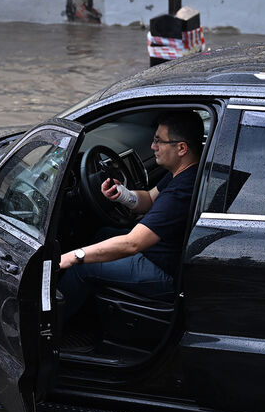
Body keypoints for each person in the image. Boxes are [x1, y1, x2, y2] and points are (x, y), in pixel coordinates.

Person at [57, 111, 203, 318]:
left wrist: (74, 256)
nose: (153, 147)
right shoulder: (186, 172)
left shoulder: (182, 192)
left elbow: (132, 244)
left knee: (81, 268)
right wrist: (122, 195)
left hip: (166, 271)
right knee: (103, 233)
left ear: (181, 148)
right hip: (161, 252)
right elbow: (150, 199)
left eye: (159, 141)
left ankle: (51, 329)